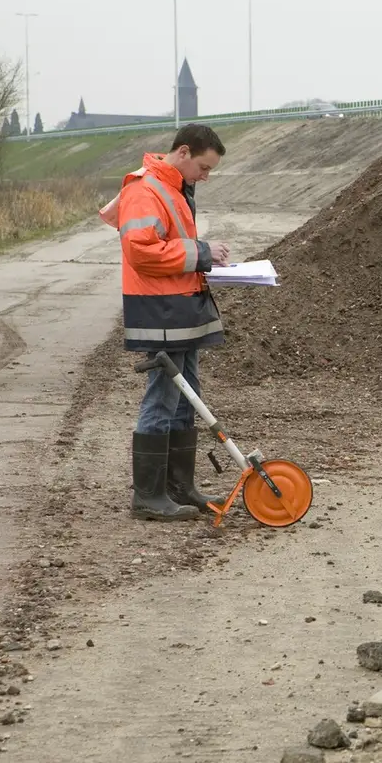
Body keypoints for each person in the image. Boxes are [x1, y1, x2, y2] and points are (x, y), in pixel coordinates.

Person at [105, 124, 233, 521]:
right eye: (203, 167)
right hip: (159, 311)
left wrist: (202, 260)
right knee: (162, 398)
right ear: (182, 152)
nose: (205, 176)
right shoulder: (145, 190)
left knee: (186, 396)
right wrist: (201, 254)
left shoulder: (175, 187)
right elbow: (142, 251)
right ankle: (148, 496)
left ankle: (179, 487)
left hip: (181, 310)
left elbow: (167, 247)